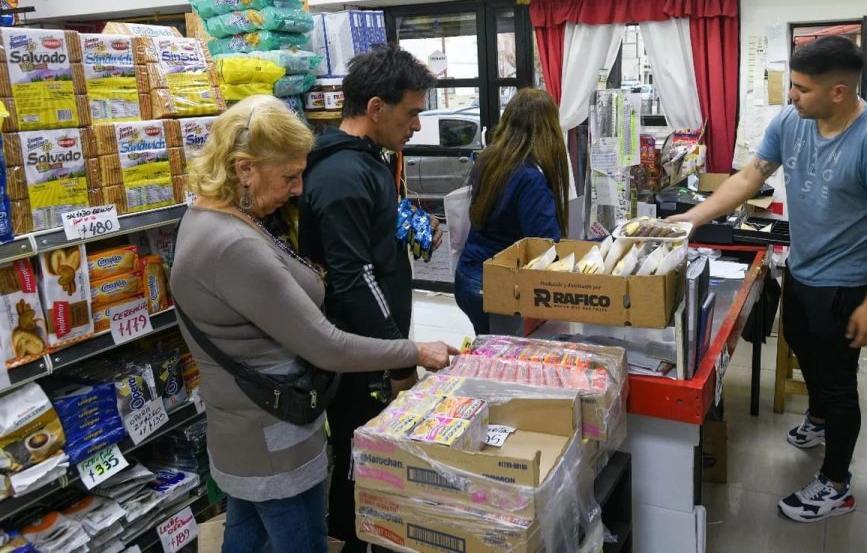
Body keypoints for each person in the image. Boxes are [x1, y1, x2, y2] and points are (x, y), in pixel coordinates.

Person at [170, 95, 456, 552]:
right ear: (244, 169)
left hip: (247, 434)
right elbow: (328, 347)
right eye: (289, 176)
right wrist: (414, 352)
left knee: (247, 536)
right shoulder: (232, 245)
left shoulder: (211, 217)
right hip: (272, 443)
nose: (300, 189)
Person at [668, 35, 867, 523]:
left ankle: (837, 484)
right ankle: (818, 418)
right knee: (801, 342)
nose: (791, 96)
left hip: (846, 285)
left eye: (801, 88)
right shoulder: (792, 121)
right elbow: (747, 178)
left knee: (838, 382)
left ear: (838, 92)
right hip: (802, 267)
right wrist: (686, 222)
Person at [297, 46, 441, 553]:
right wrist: (399, 357)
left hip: (374, 347)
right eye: (412, 113)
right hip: (358, 353)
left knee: (373, 459)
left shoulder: (369, 163)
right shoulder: (341, 176)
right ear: (376, 108)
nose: (417, 127)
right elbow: (353, 278)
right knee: (362, 462)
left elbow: (371, 250)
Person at [455, 88, 570, 334]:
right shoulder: (530, 179)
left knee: (488, 351)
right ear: (548, 130)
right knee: (506, 363)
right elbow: (546, 243)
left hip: (468, 276)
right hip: (496, 286)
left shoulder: (489, 160)